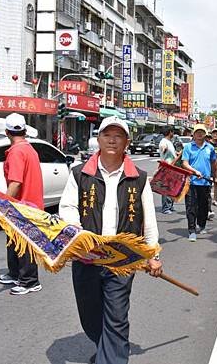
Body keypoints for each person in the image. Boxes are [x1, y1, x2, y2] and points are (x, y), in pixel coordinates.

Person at [58, 116, 162, 364]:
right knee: (90, 315)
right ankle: (106, 349)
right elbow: (68, 207)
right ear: (99, 139)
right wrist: (77, 232)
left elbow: (148, 220)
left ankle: (111, 357)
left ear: (127, 141)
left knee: (116, 317)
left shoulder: (138, 177)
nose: (112, 140)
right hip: (87, 257)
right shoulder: (80, 174)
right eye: (107, 134)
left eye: (118, 136)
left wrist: (153, 255)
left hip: (122, 260)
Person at [0, 113, 44, 295]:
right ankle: (15, 273)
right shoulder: (29, 148)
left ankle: (30, 281)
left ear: (7, 132)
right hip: (28, 203)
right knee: (14, 240)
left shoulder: (17, 152)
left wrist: (3, 205)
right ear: (24, 130)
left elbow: (15, 182)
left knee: (24, 243)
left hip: (23, 205)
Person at [182, 123, 217, 241]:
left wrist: (215, 177)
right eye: (197, 132)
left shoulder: (210, 148)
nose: (199, 134)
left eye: (202, 132)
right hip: (191, 182)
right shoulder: (188, 147)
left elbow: (213, 164)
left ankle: (201, 225)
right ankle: (191, 230)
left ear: (205, 134)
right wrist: (194, 171)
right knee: (191, 207)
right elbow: (185, 163)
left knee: (203, 207)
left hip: (205, 183)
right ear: (194, 134)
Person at [158, 127, 176, 214]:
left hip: (172, 167)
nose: (174, 134)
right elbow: (163, 148)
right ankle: (165, 207)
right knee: (166, 187)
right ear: (170, 132)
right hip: (167, 167)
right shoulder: (164, 142)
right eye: (173, 132)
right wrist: (164, 149)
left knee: (172, 187)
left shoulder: (169, 142)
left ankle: (170, 205)